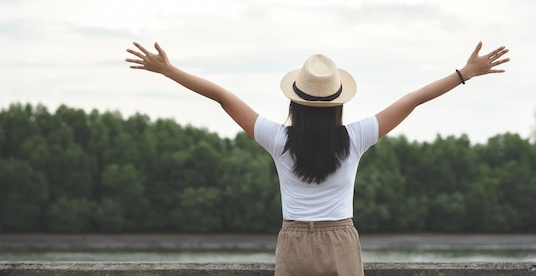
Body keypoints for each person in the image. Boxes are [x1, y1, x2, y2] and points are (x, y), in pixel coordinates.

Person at [125, 41, 509, 276]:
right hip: (341, 240)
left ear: (295, 101)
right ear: (338, 104)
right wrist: (464, 73)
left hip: (292, 242)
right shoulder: (355, 137)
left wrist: (168, 70)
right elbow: (412, 100)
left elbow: (222, 97)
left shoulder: (278, 138)